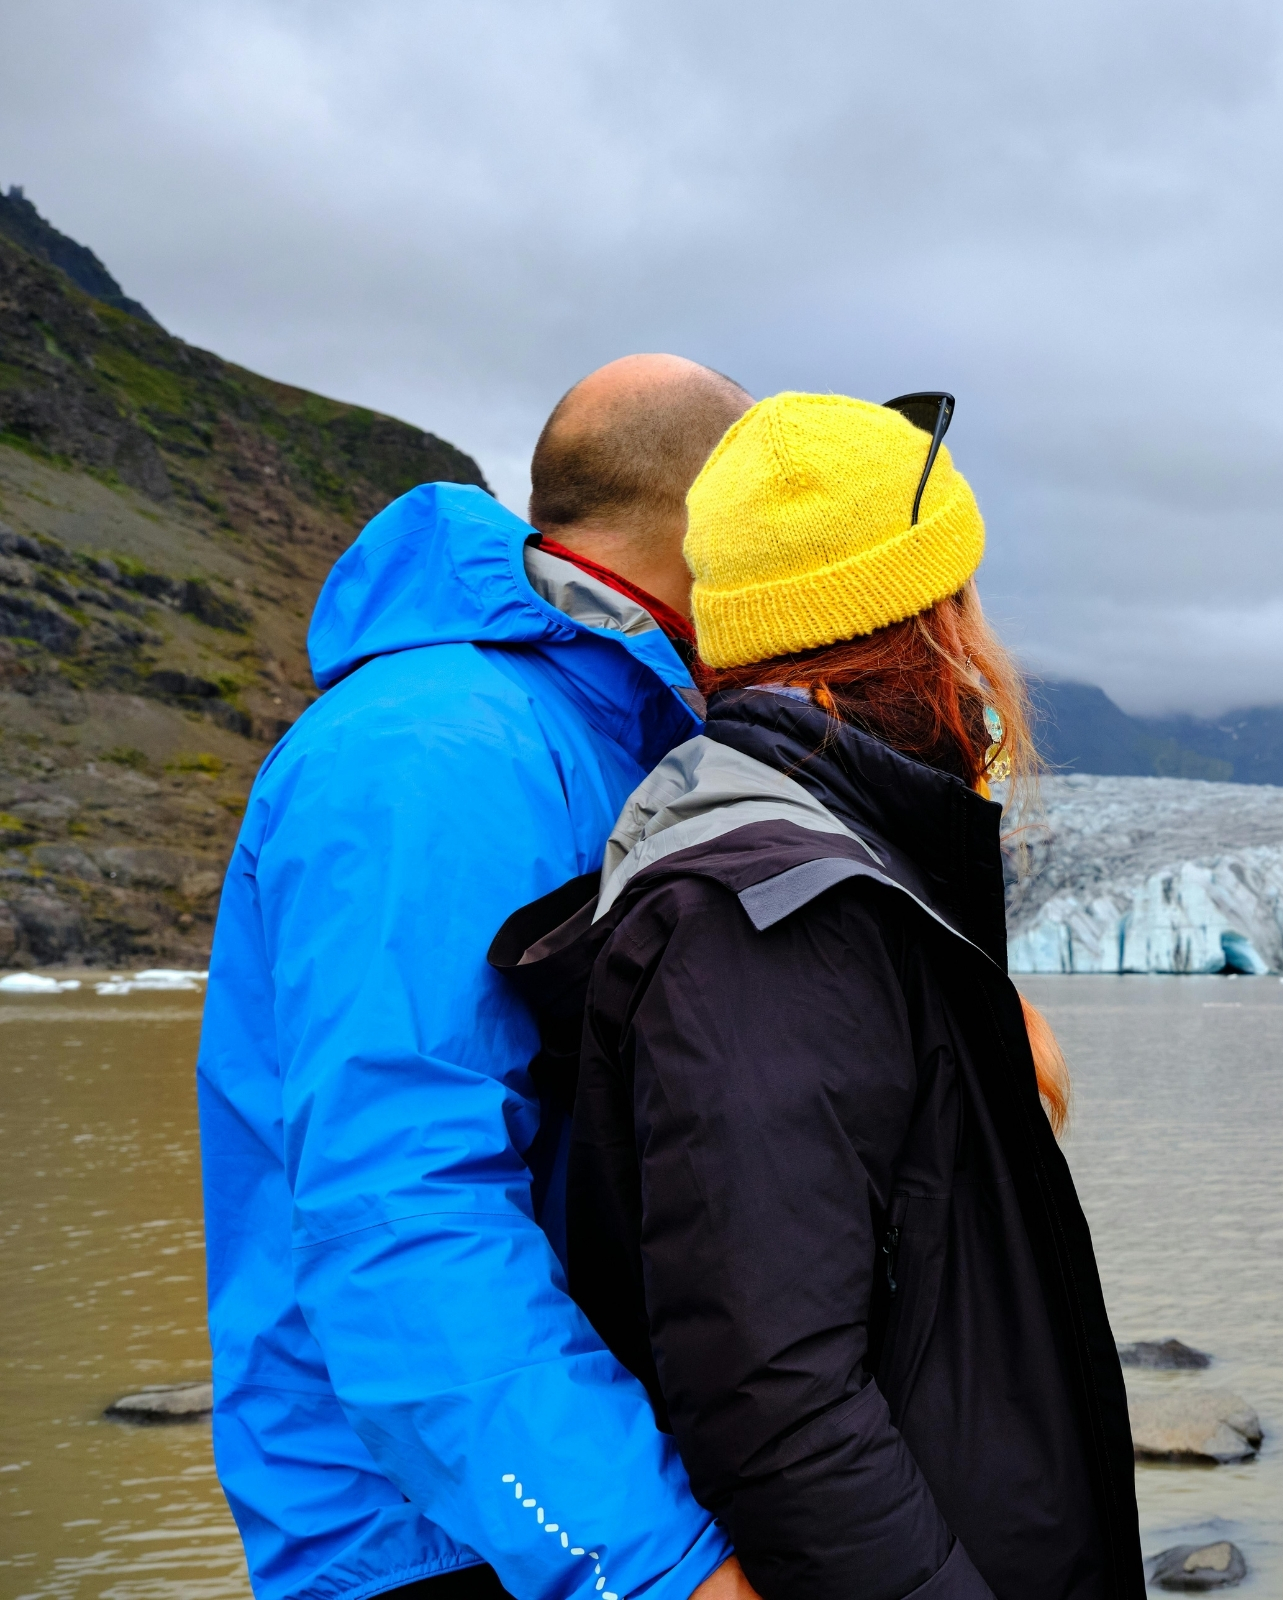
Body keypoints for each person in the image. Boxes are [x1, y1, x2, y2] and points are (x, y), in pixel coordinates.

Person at [488, 392, 1141, 1600]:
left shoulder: (824, 885)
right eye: (969, 589)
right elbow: (776, 1403)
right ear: (931, 621)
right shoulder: (768, 920)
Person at [197, 355, 765, 1600]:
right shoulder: (440, 749)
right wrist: (653, 1562)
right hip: (438, 1540)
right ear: (714, 514)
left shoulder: (599, 728)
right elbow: (403, 1209)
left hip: (536, 1499)